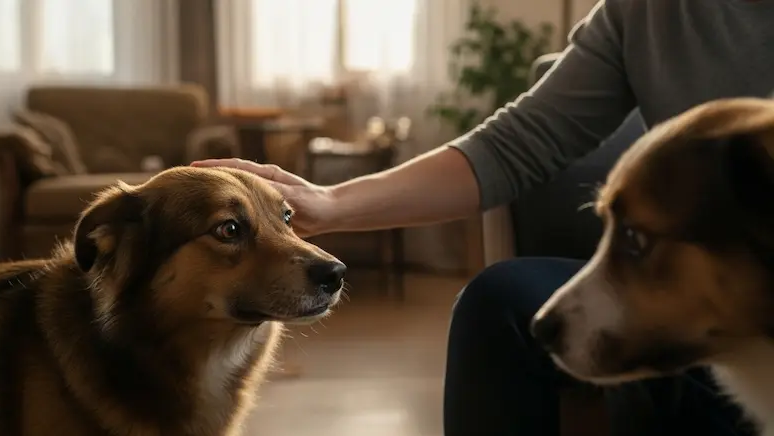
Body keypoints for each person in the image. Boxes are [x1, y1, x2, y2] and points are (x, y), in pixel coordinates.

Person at [193, 0, 774, 434]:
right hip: (699, 271)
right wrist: (333, 203)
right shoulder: (647, 11)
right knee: (500, 305)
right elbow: (518, 143)